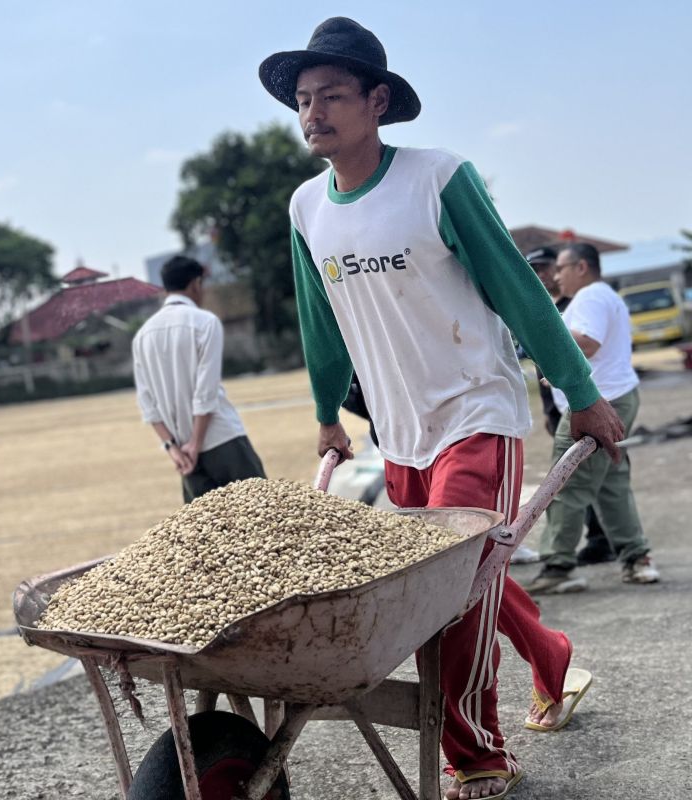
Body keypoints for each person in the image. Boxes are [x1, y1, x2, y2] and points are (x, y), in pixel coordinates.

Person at [260, 18, 623, 799]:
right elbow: (318, 318)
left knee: (448, 598)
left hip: (474, 413)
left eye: (331, 96)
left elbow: (519, 293)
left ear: (377, 101)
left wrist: (582, 396)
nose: (312, 113)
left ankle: (479, 753)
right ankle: (550, 654)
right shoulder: (305, 208)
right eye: (302, 99)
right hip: (398, 430)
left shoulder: (436, 176)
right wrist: (329, 414)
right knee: (450, 581)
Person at [527, 243, 659, 592]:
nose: (556, 276)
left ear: (582, 267)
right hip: (616, 397)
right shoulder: (602, 295)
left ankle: (557, 565)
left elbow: (586, 343)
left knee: (566, 483)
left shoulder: (590, 297)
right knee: (611, 482)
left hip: (595, 404)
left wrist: (538, 334)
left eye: (562, 268)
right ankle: (636, 557)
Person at [132, 255, 266, 502]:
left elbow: (147, 406)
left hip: (185, 455)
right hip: (222, 439)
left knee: (205, 536)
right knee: (263, 517)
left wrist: (173, 448)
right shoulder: (205, 322)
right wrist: (196, 442)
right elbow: (206, 392)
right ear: (195, 284)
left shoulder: (142, 336)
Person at [524, 246, 612, 570]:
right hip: (556, 404)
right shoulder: (538, 307)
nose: (545, 274)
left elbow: (587, 345)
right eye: (537, 268)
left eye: (549, 267)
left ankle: (579, 551)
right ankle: (601, 539)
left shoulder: (576, 306)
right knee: (583, 475)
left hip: (587, 400)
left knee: (581, 478)